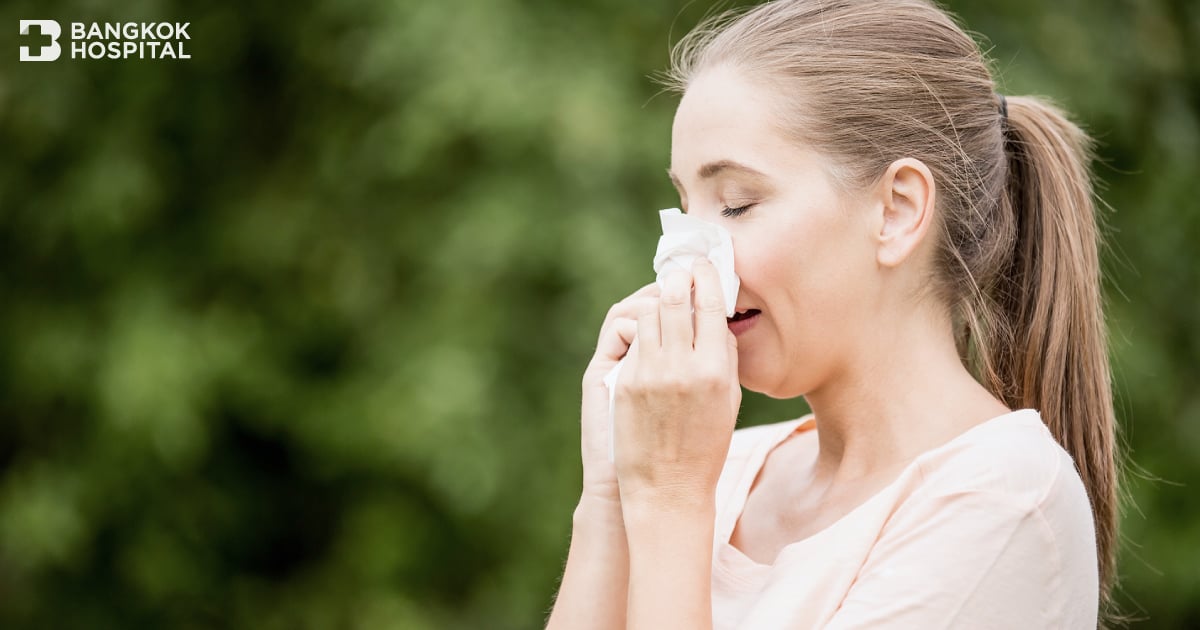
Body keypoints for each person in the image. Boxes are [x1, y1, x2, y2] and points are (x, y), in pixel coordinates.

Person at [545, 0, 1119, 628]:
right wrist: (611, 492)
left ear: (896, 210)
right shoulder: (721, 467)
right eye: (684, 209)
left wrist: (668, 499)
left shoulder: (1000, 502)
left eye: (736, 205)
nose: (684, 264)